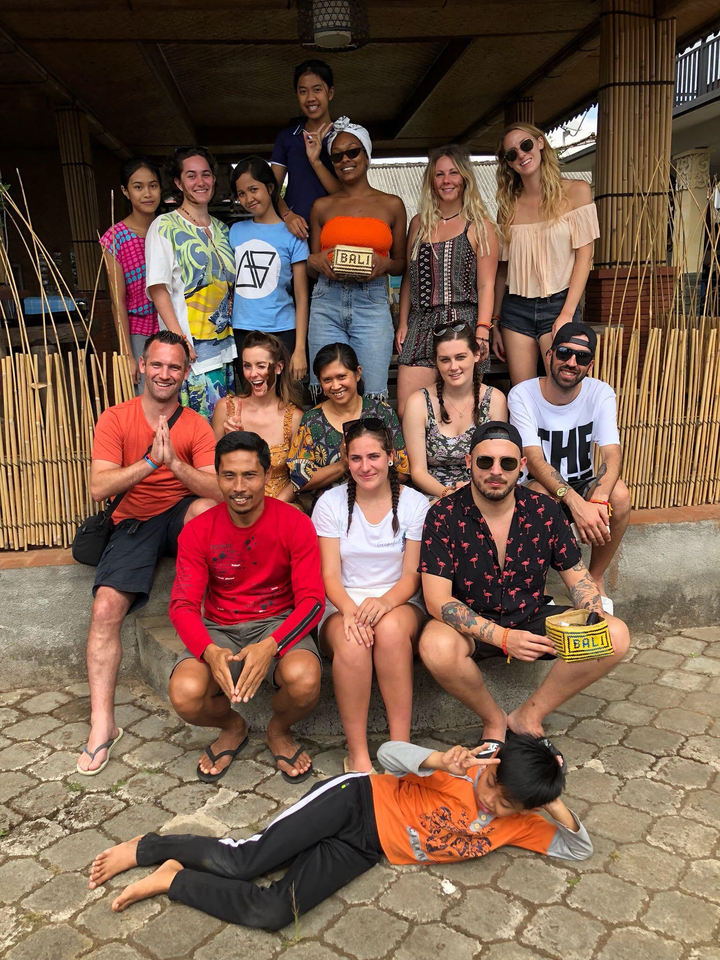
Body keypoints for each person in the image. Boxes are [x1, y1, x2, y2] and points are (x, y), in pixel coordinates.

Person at [88, 735, 592, 929]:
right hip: (353, 802)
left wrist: (548, 798)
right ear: (493, 764)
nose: (489, 798)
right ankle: (149, 846)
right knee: (247, 860)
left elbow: (578, 846)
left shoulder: (520, 824)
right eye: (492, 783)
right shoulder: (462, 768)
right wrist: (441, 759)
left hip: (366, 849)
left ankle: (173, 879)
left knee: (273, 912)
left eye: (504, 803)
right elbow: (390, 755)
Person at [419, 421, 631, 742]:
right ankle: (493, 720)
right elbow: (438, 601)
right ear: (468, 462)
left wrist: (591, 613)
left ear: (521, 466)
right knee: (435, 645)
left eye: (506, 463)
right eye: (484, 461)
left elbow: (578, 579)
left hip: (531, 620)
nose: (495, 471)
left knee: (614, 634)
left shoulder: (545, 510)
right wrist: (504, 638)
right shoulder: (444, 514)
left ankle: (527, 716)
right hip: (470, 626)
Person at [77, 332, 221, 775]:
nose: (164, 374)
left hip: (179, 515)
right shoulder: (115, 419)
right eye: (157, 365)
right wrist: (151, 464)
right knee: (104, 609)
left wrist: (176, 465)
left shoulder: (195, 424)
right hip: (134, 522)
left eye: (174, 367)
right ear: (142, 366)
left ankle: (205, 621)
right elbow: (99, 486)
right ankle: (103, 724)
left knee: (203, 509)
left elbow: (218, 489)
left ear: (185, 372)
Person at [168, 430, 325, 783]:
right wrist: (208, 651)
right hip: (219, 628)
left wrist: (273, 645)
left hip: (277, 622)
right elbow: (182, 605)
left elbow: (313, 601)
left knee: (304, 679)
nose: (239, 486)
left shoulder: (295, 523)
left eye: (250, 475)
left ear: (267, 476)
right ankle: (232, 726)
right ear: (218, 478)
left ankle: (278, 731)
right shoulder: (197, 531)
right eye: (229, 475)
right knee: (185, 694)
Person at [313, 418, 428, 773]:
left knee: (391, 633)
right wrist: (350, 610)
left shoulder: (413, 503)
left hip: (399, 600)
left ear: (391, 456)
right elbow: (329, 574)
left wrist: (384, 603)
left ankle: (400, 747)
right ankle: (359, 753)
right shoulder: (330, 504)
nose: (366, 467)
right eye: (356, 458)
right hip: (343, 601)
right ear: (346, 460)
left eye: (374, 456)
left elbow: (412, 575)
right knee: (351, 642)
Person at [508, 322, 630, 612]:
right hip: (539, 486)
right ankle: (539, 588)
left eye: (582, 357)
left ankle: (595, 579)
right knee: (538, 497)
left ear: (590, 363)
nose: (572, 362)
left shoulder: (600, 392)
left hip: (584, 482)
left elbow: (612, 454)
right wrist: (576, 504)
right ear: (549, 354)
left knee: (620, 496)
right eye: (564, 352)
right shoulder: (523, 394)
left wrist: (598, 499)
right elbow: (534, 461)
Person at [396, 145, 499, 417]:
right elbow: (410, 275)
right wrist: (404, 321)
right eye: (440, 174)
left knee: (458, 411)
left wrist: (482, 330)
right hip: (421, 323)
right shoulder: (418, 223)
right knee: (408, 409)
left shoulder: (480, 225)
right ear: (432, 180)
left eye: (453, 173)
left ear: (465, 177)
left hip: (462, 324)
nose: (447, 180)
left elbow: (486, 285)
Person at [307, 119, 407, 400]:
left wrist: (385, 265)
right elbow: (313, 265)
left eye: (353, 152)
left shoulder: (392, 204)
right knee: (328, 389)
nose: (345, 160)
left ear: (366, 154)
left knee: (373, 388)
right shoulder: (321, 207)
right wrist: (314, 261)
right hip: (327, 300)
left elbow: (401, 263)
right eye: (337, 156)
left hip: (371, 301)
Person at [493, 124, 600, 386]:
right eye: (511, 154)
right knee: (522, 396)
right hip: (515, 309)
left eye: (526, 145)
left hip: (560, 302)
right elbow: (502, 271)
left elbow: (584, 258)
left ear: (540, 143)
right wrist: (494, 321)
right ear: (508, 163)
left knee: (563, 389)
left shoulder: (576, 191)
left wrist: (567, 313)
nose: (521, 155)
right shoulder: (507, 208)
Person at [145, 146, 236, 420]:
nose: (201, 182)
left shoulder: (222, 229)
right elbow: (158, 287)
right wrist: (181, 342)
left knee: (223, 430)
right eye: (192, 175)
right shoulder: (164, 226)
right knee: (196, 430)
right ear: (178, 182)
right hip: (191, 352)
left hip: (224, 348)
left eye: (206, 175)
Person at [288, 342, 409, 509]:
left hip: (380, 502)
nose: (336, 386)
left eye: (341, 376)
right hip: (332, 508)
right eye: (327, 380)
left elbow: (402, 470)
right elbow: (299, 479)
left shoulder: (381, 413)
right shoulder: (312, 420)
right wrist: (342, 465)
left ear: (357, 373)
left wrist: (368, 474)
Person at [403, 320, 507, 500]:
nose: (453, 367)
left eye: (460, 357)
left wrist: (471, 491)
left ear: (476, 354)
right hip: (435, 494)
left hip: (483, 490)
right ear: (436, 361)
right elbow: (418, 471)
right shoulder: (419, 402)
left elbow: (497, 461)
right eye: (445, 360)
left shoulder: (494, 400)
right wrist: (449, 494)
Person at [229, 156, 309, 381]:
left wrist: (300, 349)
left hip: (283, 331)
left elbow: (302, 296)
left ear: (271, 187)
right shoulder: (234, 232)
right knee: (250, 399)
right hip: (242, 331)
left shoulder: (293, 234)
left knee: (286, 401)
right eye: (241, 193)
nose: (248, 198)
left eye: (253, 189)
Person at [212, 332, 304, 502]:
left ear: (278, 367)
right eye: (247, 366)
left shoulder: (294, 417)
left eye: (261, 366)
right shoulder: (226, 408)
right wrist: (233, 440)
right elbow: (214, 469)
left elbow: (298, 477)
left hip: (278, 505)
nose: (253, 374)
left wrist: (270, 509)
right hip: (235, 503)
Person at [99, 158, 162, 392]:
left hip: (173, 329)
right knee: (148, 402)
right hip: (138, 334)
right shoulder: (115, 238)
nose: (147, 193)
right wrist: (128, 355)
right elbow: (118, 302)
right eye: (138, 187)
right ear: (125, 191)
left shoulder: (169, 230)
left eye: (153, 185)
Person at [271, 59, 339, 241]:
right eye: (303, 91)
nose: (310, 98)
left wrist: (315, 161)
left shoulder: (344, 136)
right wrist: (287, 215)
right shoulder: (287, 137)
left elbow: (348, 194)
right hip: (296, 234)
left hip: (336, 230)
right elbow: (271, 189)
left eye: (317, 89)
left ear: (330, 93)